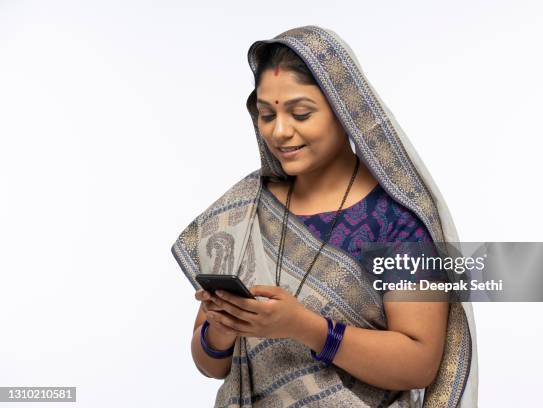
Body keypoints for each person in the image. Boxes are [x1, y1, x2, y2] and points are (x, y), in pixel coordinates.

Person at [171, 25, 478, 408]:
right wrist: (220, 328)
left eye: (301, 113)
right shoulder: (243, 211)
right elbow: (210, 365)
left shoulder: (393, 219)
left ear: (344, 108)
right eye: (267, 115)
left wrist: (306, 328)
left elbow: (419, 364)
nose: (280, 132)